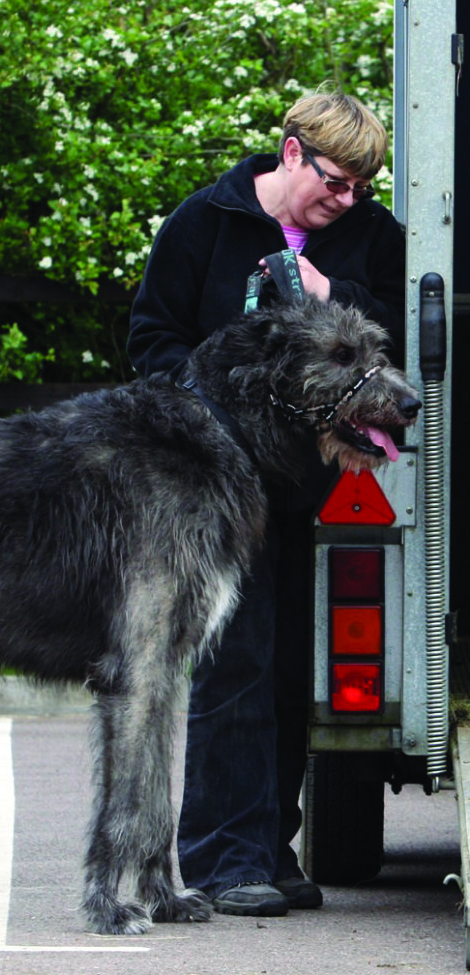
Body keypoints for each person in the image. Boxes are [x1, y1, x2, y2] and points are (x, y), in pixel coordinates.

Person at [127, 90, 406, 917]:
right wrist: (215, 410)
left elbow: (393, 334)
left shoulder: (370, 236)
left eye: (360, 186)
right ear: (291, 152)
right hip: (215, 487)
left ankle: (269, 847)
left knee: (288, 670)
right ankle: (225, 858)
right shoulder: (203, 223)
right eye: (335, 181)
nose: (347, 199)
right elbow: (151, 340)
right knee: (234, 664)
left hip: (305, 487)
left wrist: (333, 290)